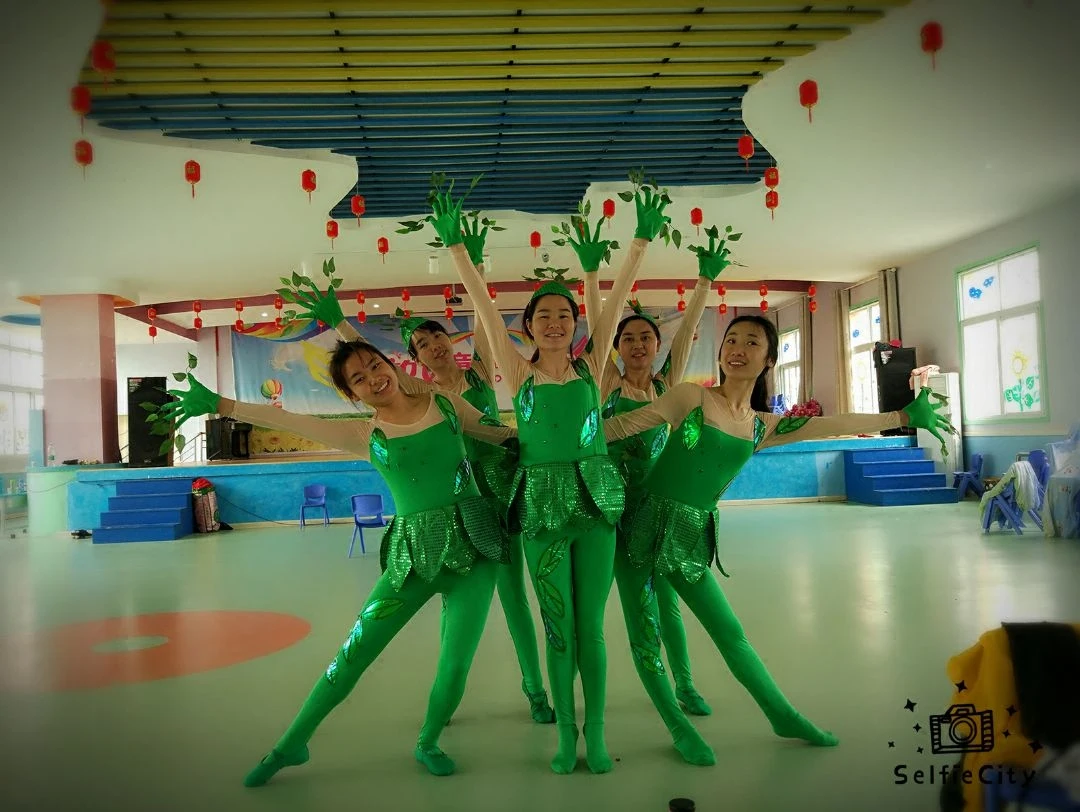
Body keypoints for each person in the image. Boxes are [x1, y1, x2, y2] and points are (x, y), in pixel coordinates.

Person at [156, 340, 518, 784]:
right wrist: (220, 402)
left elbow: (503, 437)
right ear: (352, 394)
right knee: (354, 651)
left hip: (476, 545)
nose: (372, 378)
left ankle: (428, 739)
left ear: (391, 364)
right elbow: (287, 418)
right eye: (358, 379)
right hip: (413, 556)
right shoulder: (364, 433)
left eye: (374, 365)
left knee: (456, 662)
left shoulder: (445, 403)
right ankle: (291, 744)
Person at [599, 314, 957, 748]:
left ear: (768, 360)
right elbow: (622, 427)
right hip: (638, 523)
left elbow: (830, 424)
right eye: (731, 339)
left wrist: (901, 413)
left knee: (730, 632)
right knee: (645, 633)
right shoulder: (690, 397)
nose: (737, 348)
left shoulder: (761, 426)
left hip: (690, 535)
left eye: (751, 342)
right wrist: (542, 443)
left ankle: (782, 715)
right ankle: (679, 728)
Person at [428, 184, 669, 774]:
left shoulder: (593, 366)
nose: (557, 322)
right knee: (557, 625)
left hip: (596, 502)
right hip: (537, 505)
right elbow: (484, 308)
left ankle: (599, 732)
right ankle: (566, 735)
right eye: (544, 316)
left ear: (575, 325)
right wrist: (459, 249)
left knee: (593, 629)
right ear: (529, 327)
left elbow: (609, 304)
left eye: (565, 315)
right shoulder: (517, 373)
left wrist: (637, 241)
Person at [286, 272, 555, 724]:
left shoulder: (477, 374)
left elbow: (487, 322)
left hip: (502, 495)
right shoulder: (419, 395)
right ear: (414, 361)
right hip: (459, 506)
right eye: (422, 345)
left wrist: (473, 268)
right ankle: (447, 693)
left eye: (438, 337)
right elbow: (371, 365)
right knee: (460, 603)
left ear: (452, 342)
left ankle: (535, 689)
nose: (434, 346)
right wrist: (342, 327)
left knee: (515, 599)